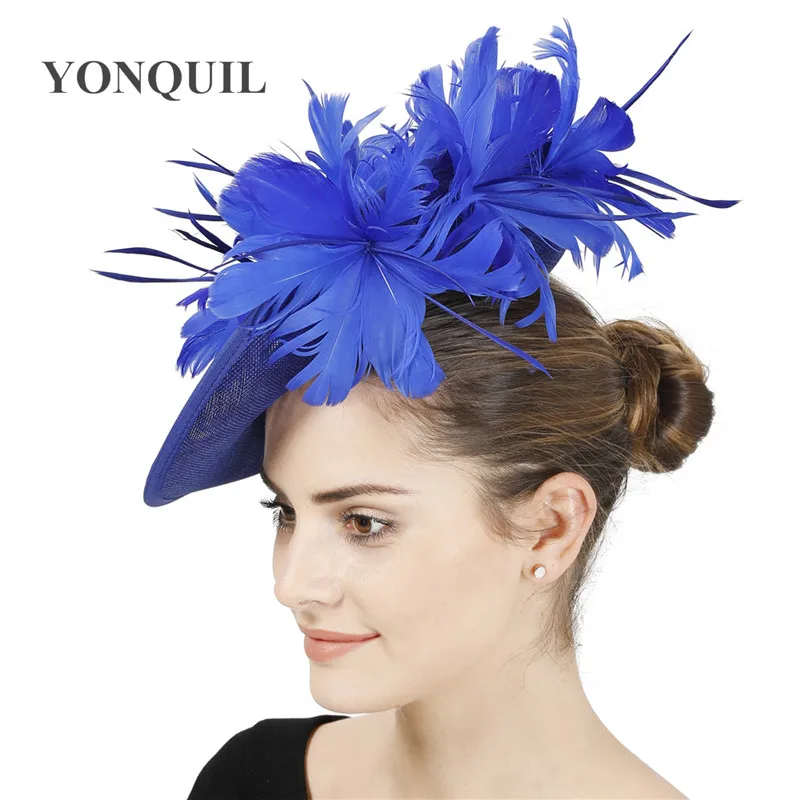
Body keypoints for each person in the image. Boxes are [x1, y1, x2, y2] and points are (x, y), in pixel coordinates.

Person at [96, 18, 738, 800]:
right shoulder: (250, 778)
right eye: (286, 511)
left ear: (553, 525)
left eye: (364, 522)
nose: (292, 584)